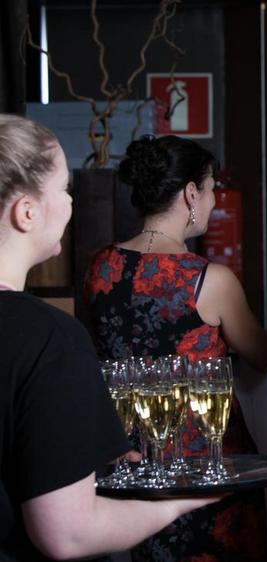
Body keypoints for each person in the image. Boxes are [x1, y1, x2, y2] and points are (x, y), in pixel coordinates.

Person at [0, 114, 217, 559]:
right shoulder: (50, 338)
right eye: (64, 188)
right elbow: (67, 534)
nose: (70, 201)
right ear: (26, 212)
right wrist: (178, 503)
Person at [84, 135, 267, 561]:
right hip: (200, 465)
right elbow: (263, 354)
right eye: (212, 188)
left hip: (125, 459)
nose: (214, 201)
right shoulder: (208, 280)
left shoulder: (99, 266)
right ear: (191, 193)